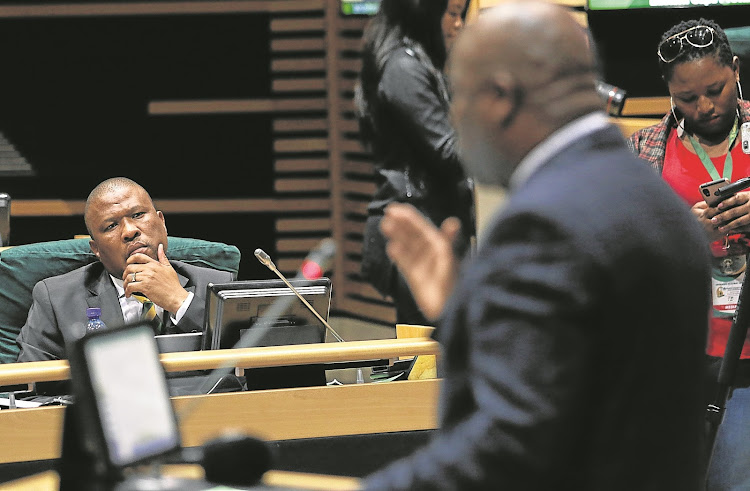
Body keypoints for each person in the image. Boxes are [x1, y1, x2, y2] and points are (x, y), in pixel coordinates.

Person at [363, 2, 712, 489]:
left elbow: (506, 448)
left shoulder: (544, 223)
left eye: (457, 97)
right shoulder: (652, 197)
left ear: (501, 95)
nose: (454, 120)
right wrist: (461, 309)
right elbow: (584, 384)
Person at [627, 18, 750, 491]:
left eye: (715, 89)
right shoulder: (643, 154)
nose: (705, 106)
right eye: (687, 98)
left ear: (736, 70)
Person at [15, 177, 234, 362]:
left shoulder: (217, 287)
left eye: (138, 215)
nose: (129, 231)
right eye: (111, 226)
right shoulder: (56, 299)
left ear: (161, 222)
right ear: (96, 249)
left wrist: (180, 302)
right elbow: (29, 385)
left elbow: (249, 363)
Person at [355, 0, 475, 325]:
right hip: (412, 225)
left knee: (425, 357)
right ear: (426, 12)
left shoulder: (418, 63)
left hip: (425, 221)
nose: (458, 24)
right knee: (426, 359)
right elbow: (450, 151)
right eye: (451, 14)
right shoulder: (402, 68)